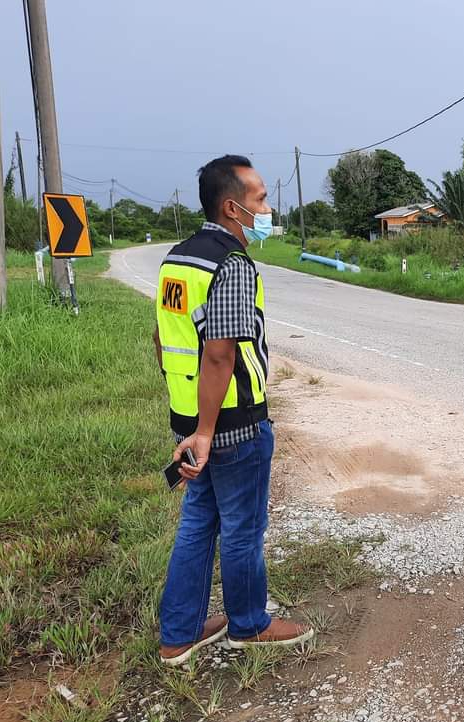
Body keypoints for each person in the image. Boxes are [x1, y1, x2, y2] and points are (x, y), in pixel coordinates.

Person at [153, 154, 312, 666]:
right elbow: (220, 353)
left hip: (189, 421)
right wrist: (206, 431)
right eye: (260, 199)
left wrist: (190, 422)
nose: (267, 208)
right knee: (242, 528)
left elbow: (163, 339)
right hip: (231, 425)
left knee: (199, 523)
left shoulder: (179, 258)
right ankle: (249, 624)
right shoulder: (231, 264)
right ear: (232, 207)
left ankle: (179, 634)